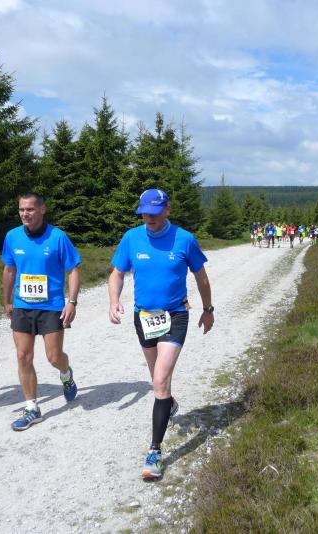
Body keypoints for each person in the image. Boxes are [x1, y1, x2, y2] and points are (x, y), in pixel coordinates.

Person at [108, 189, 214, 479]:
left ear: (167, 209)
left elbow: (201, 277)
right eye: (144, 212)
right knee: (158, 379)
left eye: (154, 212)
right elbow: (117, 273)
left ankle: (154, 452)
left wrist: (208, 309)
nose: (149, 217)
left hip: (175, 315)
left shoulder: (184, 239)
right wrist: (114, 300)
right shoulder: (131, 238)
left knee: (159, 380)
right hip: (144, 317)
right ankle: (168, 402)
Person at [2, 192, 81, 431]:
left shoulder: (58, 237)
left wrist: (72, 302)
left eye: (30, 209)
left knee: (54, 357)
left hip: (51, 306)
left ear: (42, 209)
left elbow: (73, 270)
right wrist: (7, 300)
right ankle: (32, 408)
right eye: (21, 210)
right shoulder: (12, 236)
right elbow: (9, 269)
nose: (25, 214)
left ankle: (66, 374)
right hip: (22, 305)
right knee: (23, 356)